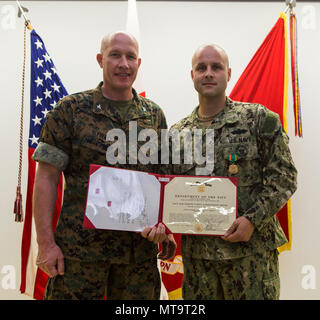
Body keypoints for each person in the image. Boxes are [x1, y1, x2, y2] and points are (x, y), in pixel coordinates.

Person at [32, 31, 176, 300]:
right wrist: (45, 243)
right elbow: (47, 178)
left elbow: (161, 179)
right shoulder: (70, 110)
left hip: (138, 257)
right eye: (115, 55)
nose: (124, 64)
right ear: (100, 60)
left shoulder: (154, 115)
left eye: (130, 57)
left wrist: (164, 229)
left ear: (138, 63)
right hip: (80, 255)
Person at [170, 44, 297, 300]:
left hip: (251, 258)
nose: (208, 73)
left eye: (216, 67)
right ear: (191, 75)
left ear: (228, 74)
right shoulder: (177, 134)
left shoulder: (259, 119)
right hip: (199, 262)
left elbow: (285, 176)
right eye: (201, 68)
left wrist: (253, 219)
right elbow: (168, 188)